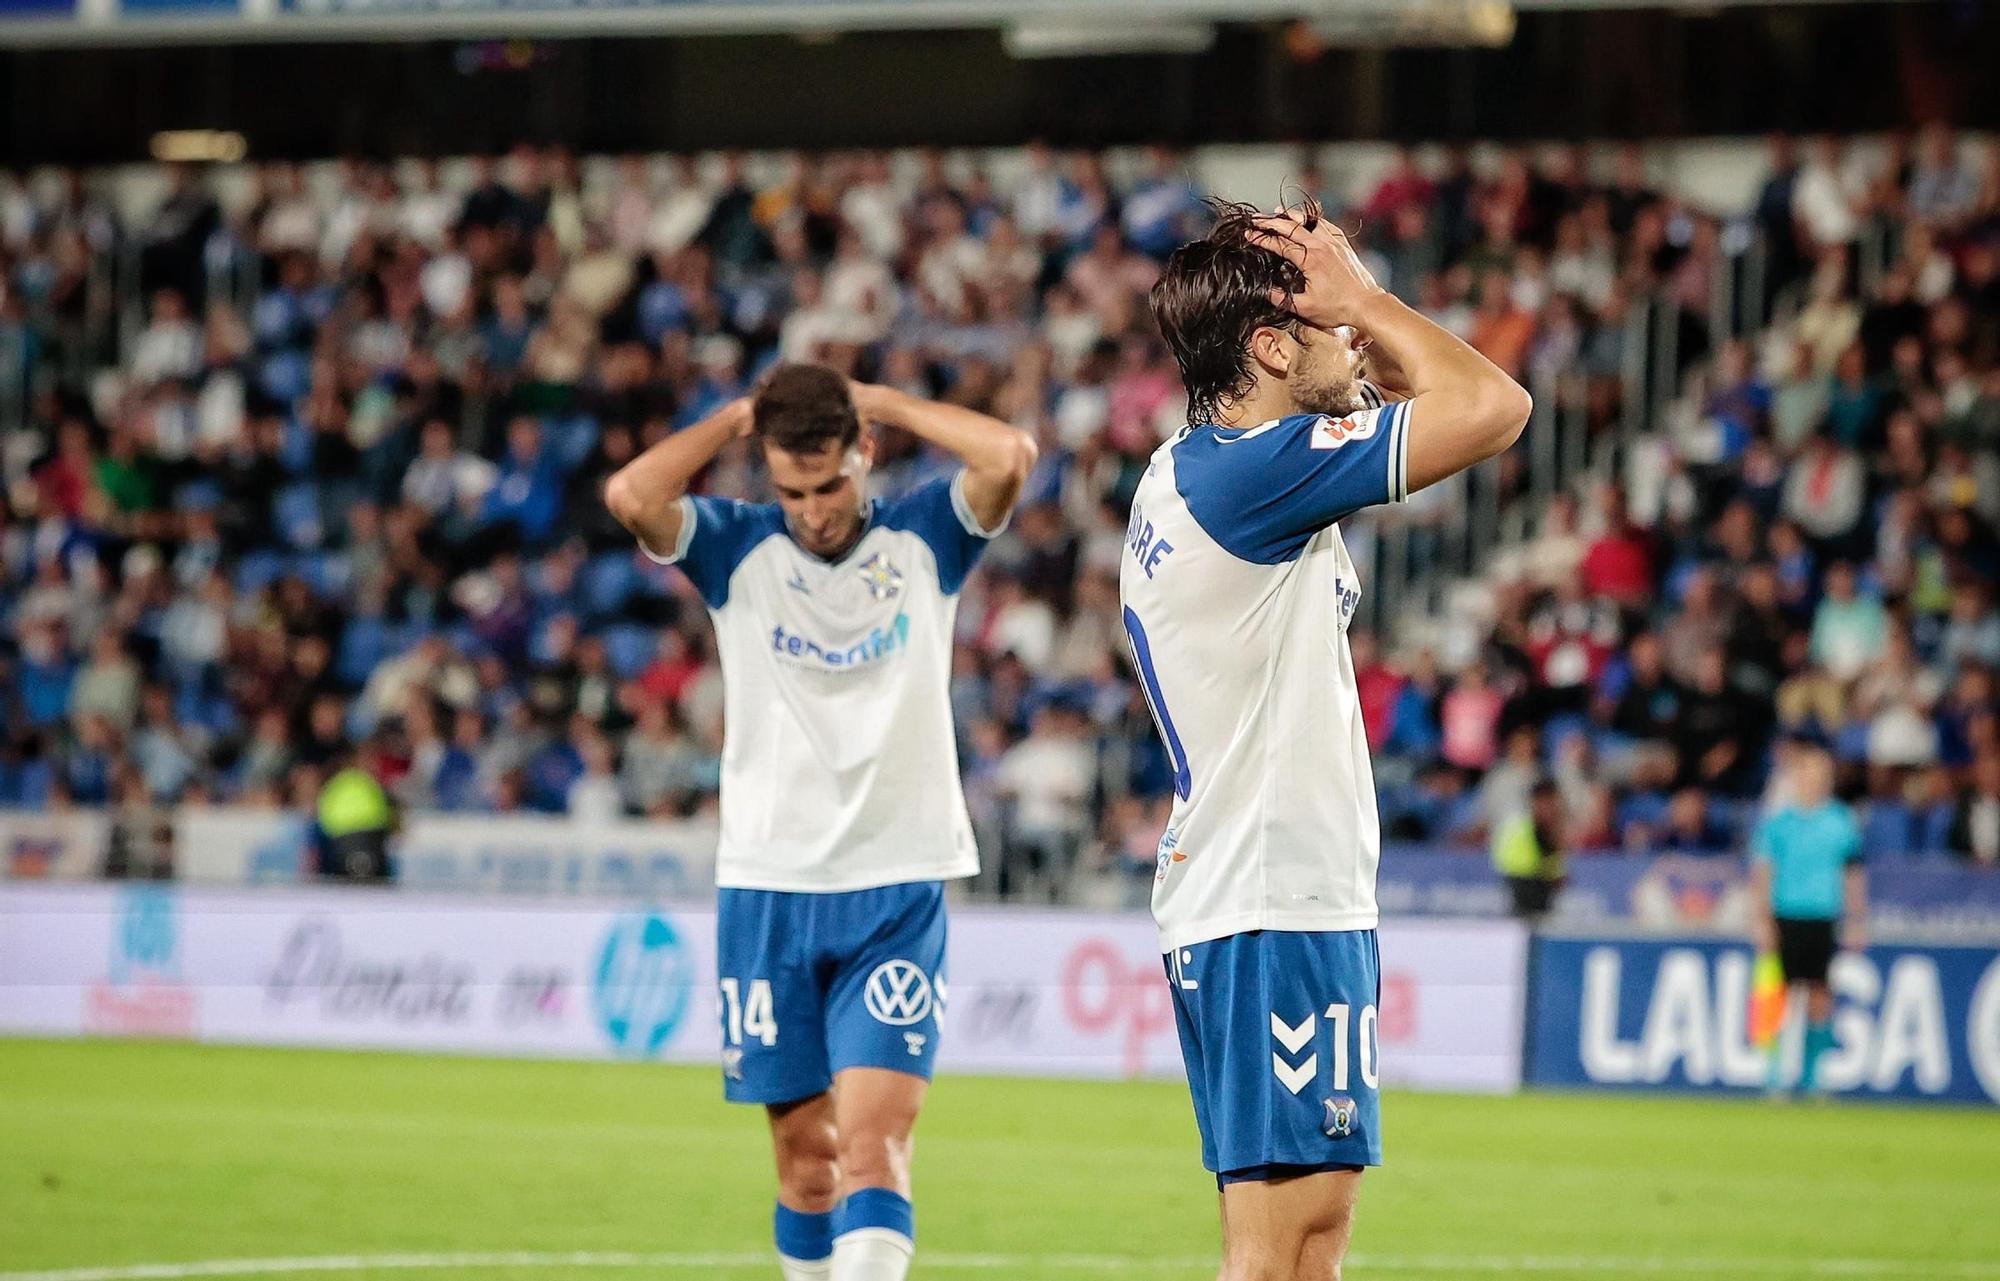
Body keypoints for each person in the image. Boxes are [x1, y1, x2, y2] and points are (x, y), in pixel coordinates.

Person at [1120, 199, 1529, 1280]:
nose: (1350, 335)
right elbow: (1492, 406)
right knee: (1280, 1249)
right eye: (1323, 321)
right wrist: (1370, 302)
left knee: (1304, 1245)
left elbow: (1402, 388)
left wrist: (1342, 313)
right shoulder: (1257, 476)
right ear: (1266, 345)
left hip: (1257, 890)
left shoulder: (1201, 468)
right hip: (1271, 897)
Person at [604, 362, 1035, 1281]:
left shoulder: (926, 536)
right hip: (769, 883)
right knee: (806, 1163)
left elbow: (1008, 452)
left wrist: (879, 400)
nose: (812, 509)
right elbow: (632, 492)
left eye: (830, 482)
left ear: (864, 454)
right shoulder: (736, 548)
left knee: (873, 1147)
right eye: (792, 488)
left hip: (895, 882)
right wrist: (730, 423)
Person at [1749, 740, 1867, 1097]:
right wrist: (1761, 919)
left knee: (1819, 994)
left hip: (1823, 914)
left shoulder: (1841, 821)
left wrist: (1857, 917)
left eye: (1820, 773)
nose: (1813, 779)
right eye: (1806, 772)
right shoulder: (1778, 823)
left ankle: (1813, 1076)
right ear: (1795, 777)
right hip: (1785, 914)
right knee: (1778, 994)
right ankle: (1773, 1073)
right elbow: (1763, 873)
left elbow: (1852, 873)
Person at [1491, 778, 1568, 919]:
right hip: (1525, 894)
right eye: (1547, 802)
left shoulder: (1547, 830)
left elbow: (1555, 873)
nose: (1551, 808)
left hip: (1539, 898)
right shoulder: (1521, 829)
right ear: (1535, 801)